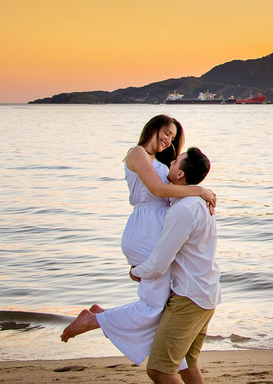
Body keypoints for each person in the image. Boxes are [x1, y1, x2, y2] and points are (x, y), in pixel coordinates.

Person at [60, 115, 216, 363]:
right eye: (166, 132)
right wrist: (198, 190)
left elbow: (172, 189)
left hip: (156, 227)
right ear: (153, 128)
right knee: (154, 304)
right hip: (146, 229)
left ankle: (108, 320)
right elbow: (157, 190)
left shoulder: (158, 162)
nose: (168, 140)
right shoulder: (137, 153)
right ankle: (96, 320)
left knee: (161, 303)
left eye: (173, 137)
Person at [130, 147, 221, 384]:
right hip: (205, 294)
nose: (169, 161)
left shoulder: (184, 210)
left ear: (180, 173)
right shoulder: (193, 202)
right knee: (188, 366)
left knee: (159, 369)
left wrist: (137, 272)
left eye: (174, 161)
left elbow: (160, 261)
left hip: (189, 298)